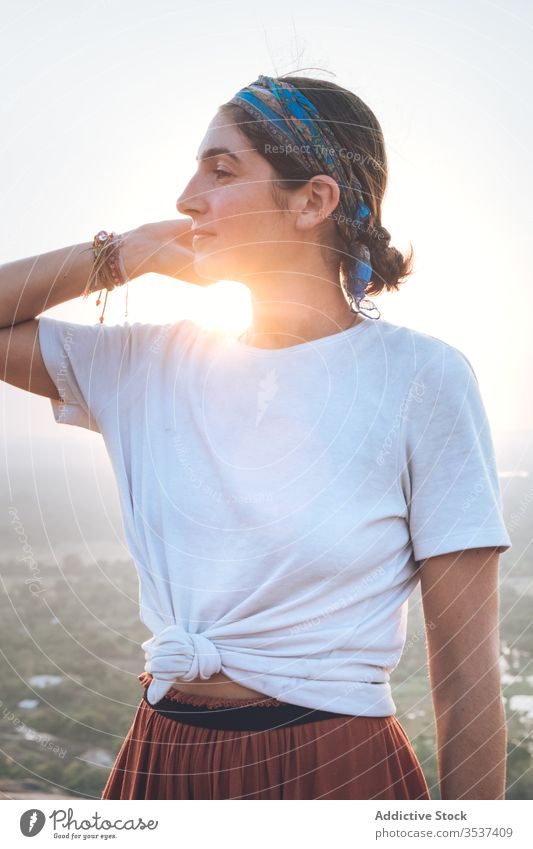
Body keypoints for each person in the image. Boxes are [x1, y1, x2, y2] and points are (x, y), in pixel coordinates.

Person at [0, 73, 512, 800]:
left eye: (221, 169)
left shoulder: (420, 377)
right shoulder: (145, 363)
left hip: (335, 770)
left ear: (313, 199)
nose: (185, 197)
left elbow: (465, 678)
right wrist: (129, 252)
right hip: (162, 760)